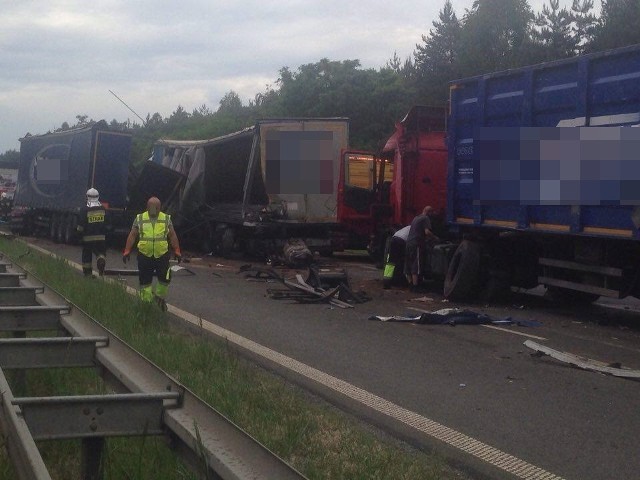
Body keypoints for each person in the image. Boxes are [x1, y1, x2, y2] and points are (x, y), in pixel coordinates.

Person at [122, 197, 182, 310]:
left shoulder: (165, 218)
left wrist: (177, 250)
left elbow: (172, 235)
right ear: (147, 207)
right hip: (145, 255)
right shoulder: (140, 218)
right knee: (145, 280)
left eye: (157, 208)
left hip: (162, 254)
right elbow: (132, 235)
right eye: (152, 207)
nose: (154, 210)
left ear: (160, 207)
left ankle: (159, 298)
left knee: (165, 278)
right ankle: (146, 304)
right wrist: (127, 250)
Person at [404, 206, 439, 292]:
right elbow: (426, 232)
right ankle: (416, 287)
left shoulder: (416, 218)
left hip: (409, 243)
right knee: (416, 264)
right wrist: (435, 238)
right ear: (429, 213)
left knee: (408, 264)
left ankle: (410, 285)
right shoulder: (426, 218)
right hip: (417, 243)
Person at [77, 188, 107, 277]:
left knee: (87, 255)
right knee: (101, 252)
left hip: (88, 238)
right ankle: (101, 260)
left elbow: (81, 226)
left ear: (87, 197)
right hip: (101, 237)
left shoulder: (84, 209)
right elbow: (107, 223)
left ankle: (88, 273)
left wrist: (79, 236)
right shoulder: (103, 208)